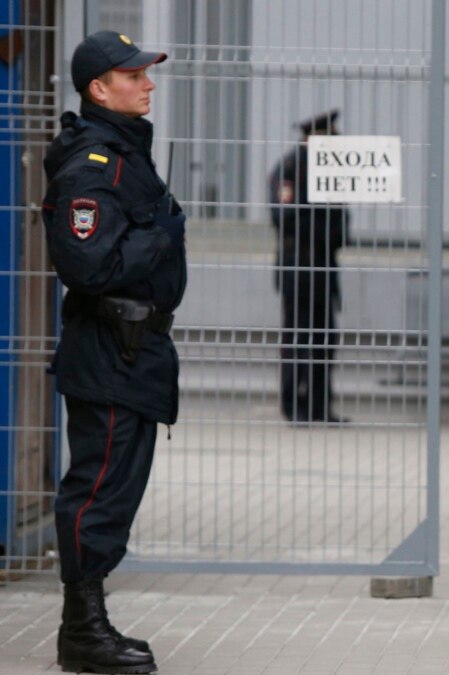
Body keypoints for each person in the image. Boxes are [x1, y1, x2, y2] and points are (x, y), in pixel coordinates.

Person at [41, 30, 184, 673]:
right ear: (99, 88)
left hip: (134, 348)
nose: (148, 83)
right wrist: (158, 232)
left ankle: (91, 623)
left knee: (116, 489)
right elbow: (89, 266)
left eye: (146, 73)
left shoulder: (125, 152)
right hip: (110, 348)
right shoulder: (93, 163)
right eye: (134, 76)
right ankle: (81, 631)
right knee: (97, 489)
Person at [268, 110, 349, 425]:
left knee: (324, 339)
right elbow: (283, 216)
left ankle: (319, 406)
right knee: (299, 338)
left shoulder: (334, 172)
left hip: (324, 266)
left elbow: (341, 226)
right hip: (298, 266)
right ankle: (294, 406)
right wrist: (320, 223)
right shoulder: (291, 167)